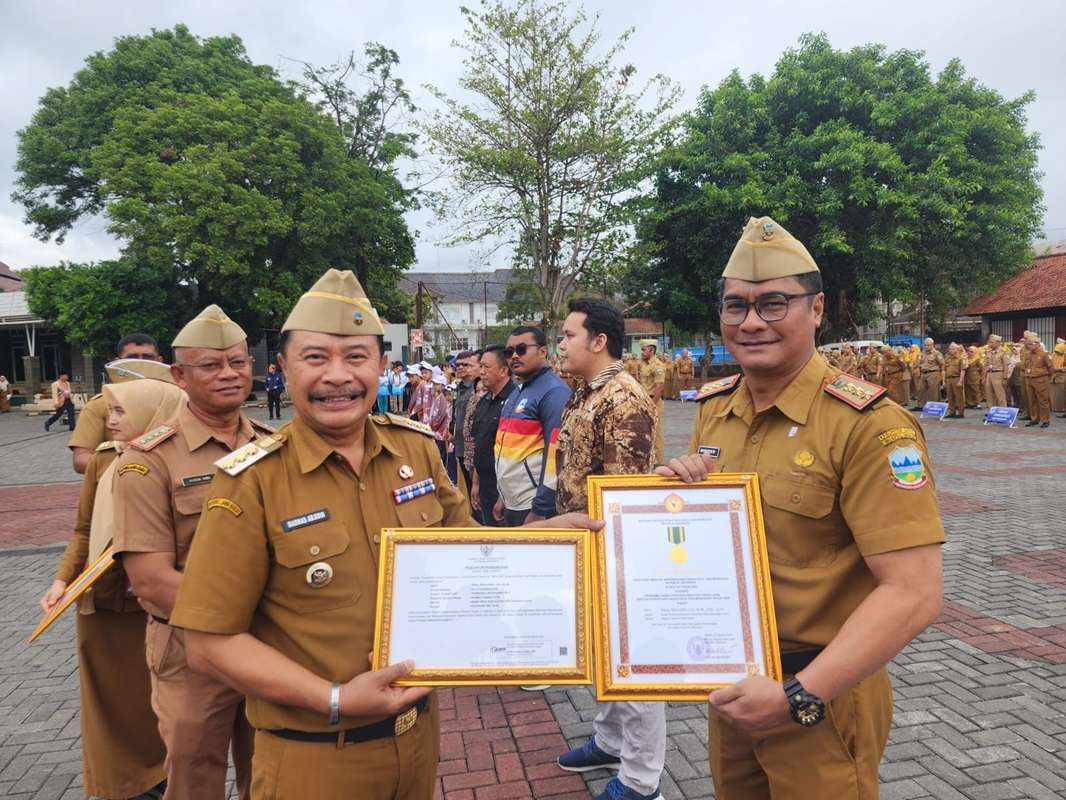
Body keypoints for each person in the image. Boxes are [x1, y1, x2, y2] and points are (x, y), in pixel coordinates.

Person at [165, 269, 599, 799]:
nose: (337, 376)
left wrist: (548, 538)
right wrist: (335, 699)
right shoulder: (250, 480)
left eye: (355, 357)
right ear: (282, 367)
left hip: (417, 742)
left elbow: (469, 547)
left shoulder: (415, 450)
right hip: (314, 758)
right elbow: (209, 641)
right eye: (315, 357)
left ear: (379, 365)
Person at [658, 216, 944, 799]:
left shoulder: (869, 426)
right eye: (735, 306)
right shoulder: (715, 410)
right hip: (736, 685)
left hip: (822, 695)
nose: (752, 322)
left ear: (815, 310)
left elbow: (914, 592)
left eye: (774, 303)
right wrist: (670, 503)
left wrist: (801, 695)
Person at [111, 305, 274, 800]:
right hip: (189, 651)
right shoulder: (146, 461)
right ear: (179, 375)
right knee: (194, 777)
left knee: (270, 772)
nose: (229, 374)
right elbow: (151, 580)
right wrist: (250, 615)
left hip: (270, 644)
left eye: (239, 362)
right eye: (211, 365)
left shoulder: (276, 445)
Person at [40, 378, 185, 800]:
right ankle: (126, 786)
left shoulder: (181, 464)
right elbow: (83, 531)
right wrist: (61, 580)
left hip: (157, 606)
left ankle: (166, 777)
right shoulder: (105, 461)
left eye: (121, 412)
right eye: (111, 413)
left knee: (163, 704)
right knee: (112, 706)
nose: (113, 422)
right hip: (103, 606)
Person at [552, 299, 663, 800]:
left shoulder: (622, 398)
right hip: (587, 542)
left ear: (598, 341)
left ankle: (641, 780)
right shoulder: (586, 393)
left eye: (568, 335)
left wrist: (617, 563)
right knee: (602, 651)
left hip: (618, 551)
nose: (561, 344)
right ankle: (609, 740)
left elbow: (628, 493)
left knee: (634, 663)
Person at [494, 326, 571, 526]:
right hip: (513, 501)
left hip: (533, 506)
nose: (514, 356)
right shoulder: (518, 391)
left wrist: (541, 509)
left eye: (521, 349)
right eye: (508, 352)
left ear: (543, 351)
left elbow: (556, 454)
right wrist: (503, 495)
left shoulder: (554, 392)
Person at [69, 333, 165, 474]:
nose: (140, 363)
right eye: (132, 358)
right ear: (117, 362)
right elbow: (81, 460)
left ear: (159, 360)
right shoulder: (100, 404)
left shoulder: (175, 399)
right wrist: (132, 468)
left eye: (147, 357)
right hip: (117, 487)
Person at [470, 345, 516, 527]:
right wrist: (475, 483)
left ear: (504, 370)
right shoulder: (484, 401)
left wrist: (505, 494)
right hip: (485, 485)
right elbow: (478, 444)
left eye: (486, 367)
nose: (481, 372)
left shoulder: (515, 401)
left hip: (506, 488)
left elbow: (514, 453)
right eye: (480, 367)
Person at [451, 350, 481, 497]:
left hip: (472, 448)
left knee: (477, 491)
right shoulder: (460, 387)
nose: (461, 368)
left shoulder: (477, 389)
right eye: (458, 365)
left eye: (465, 364)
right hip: (460, 445)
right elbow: (456, 414)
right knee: (469, 490)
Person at [637, 339, 666, 463]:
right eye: (642, 349)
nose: (642, 352)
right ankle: (649, 460)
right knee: (644, 432)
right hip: (643, 400)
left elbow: (659, 388)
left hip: (653, 400)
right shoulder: (643, 364)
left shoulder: (658, 366)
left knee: (655, 433)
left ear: (652, 350)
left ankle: (659, 462)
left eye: (644, 349)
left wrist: (651, 405)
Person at [1022, 331, 1053, 428]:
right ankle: (1034, 418)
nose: (1029, 346)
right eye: (1028, 344)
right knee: (1032, 401)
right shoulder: (1028, 354)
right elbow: (1026, 365)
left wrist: (1048, 379)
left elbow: (1051, 368)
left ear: (1038, 344)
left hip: (1041, 380)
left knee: (1043, 401)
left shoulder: (1044, 354)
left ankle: (1045, 420)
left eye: (1031, 344)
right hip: (1029, 379)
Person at [426, 373, 452, 464]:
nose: (434, 386)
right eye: (434, 384)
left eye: (437, 384)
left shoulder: (443, 398)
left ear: (443, 385)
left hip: (440, 431)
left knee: (442, 454)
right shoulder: (438, 396)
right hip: (437, 431)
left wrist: (432, 425)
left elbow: (440, 415)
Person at [914, 338, 944, 409]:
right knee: (920, 389)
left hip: (933, 373)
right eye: (925, 345)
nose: (926, 347)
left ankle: (933, 406)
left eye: (928, 345)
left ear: (932, 345)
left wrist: (942, 375)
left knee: (933, 391)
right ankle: (920, 405)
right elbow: (919, 363)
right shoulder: (922, 353)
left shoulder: (937, 353)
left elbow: (942, 364)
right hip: (923, 373)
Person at [982, 334, 1009, 408]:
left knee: (1000, 394)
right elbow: (985, 365)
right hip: (989, 374)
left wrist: (1005, 378)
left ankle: (1003, 411)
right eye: (989, 342)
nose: (989, 344)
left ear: (998, 343)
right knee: (989, 394)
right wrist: (984, 377)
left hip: (999, 374)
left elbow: (1006, 366)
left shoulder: (1003, 352)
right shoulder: (988, 352)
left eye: (992, 342)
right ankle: (992, 412)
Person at [943, 343, 967, 418]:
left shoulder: (961, 357)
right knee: (950, 397)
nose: (951, 350)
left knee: (959, 397)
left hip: (957, 378)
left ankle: (960, 413)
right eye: (950, 349)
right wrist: (944, 381)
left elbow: (963, 370)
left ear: (957, 349)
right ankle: (951, 412)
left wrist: (960, 381)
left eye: (953, 349)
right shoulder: (947, 357)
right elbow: (944, 369)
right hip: (948, 379)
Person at [1051, 339, 1066, 416]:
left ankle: (1060, 408)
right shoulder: (1058, 354)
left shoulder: (1057, 354)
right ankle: (1059, 408)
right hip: (1058, 373)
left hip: (1060, 374)